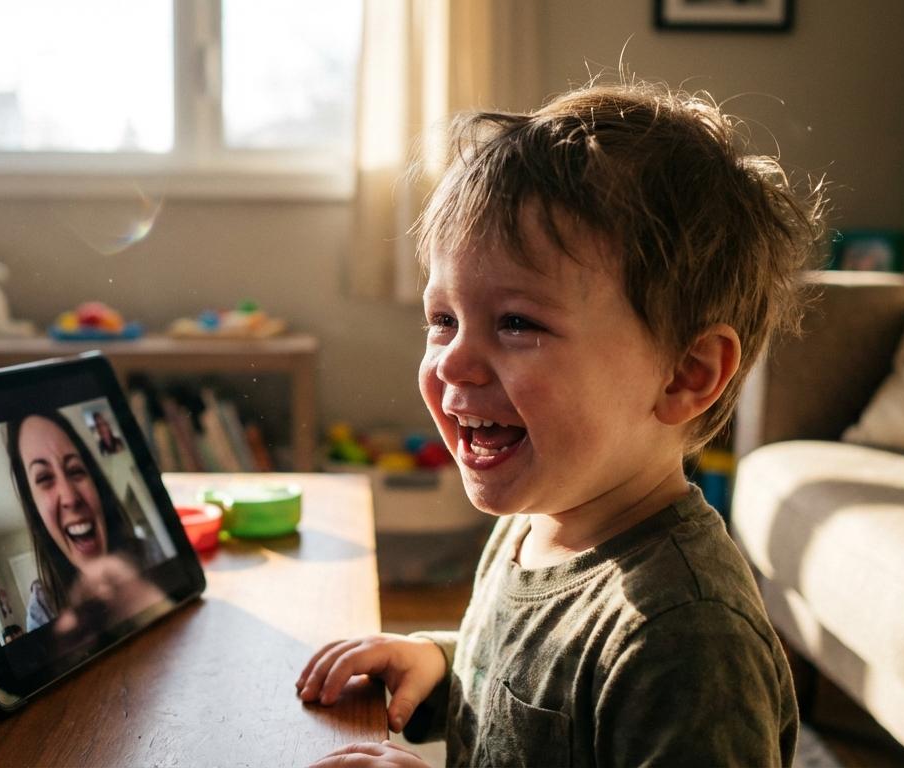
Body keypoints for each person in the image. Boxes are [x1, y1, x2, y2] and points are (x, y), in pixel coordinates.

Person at [297, 77, 824, 767]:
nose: (454, 362)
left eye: (517, 323)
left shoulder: (687, 639)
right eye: (443, 320)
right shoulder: (538, 520)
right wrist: (443, 666)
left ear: (687, 374)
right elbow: (536, 690)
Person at [6, 410, 164, 633]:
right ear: (34, 509)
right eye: (44, 478)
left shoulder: (153, 552)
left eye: (75, 470)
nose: (70, 498)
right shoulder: (42, 609)